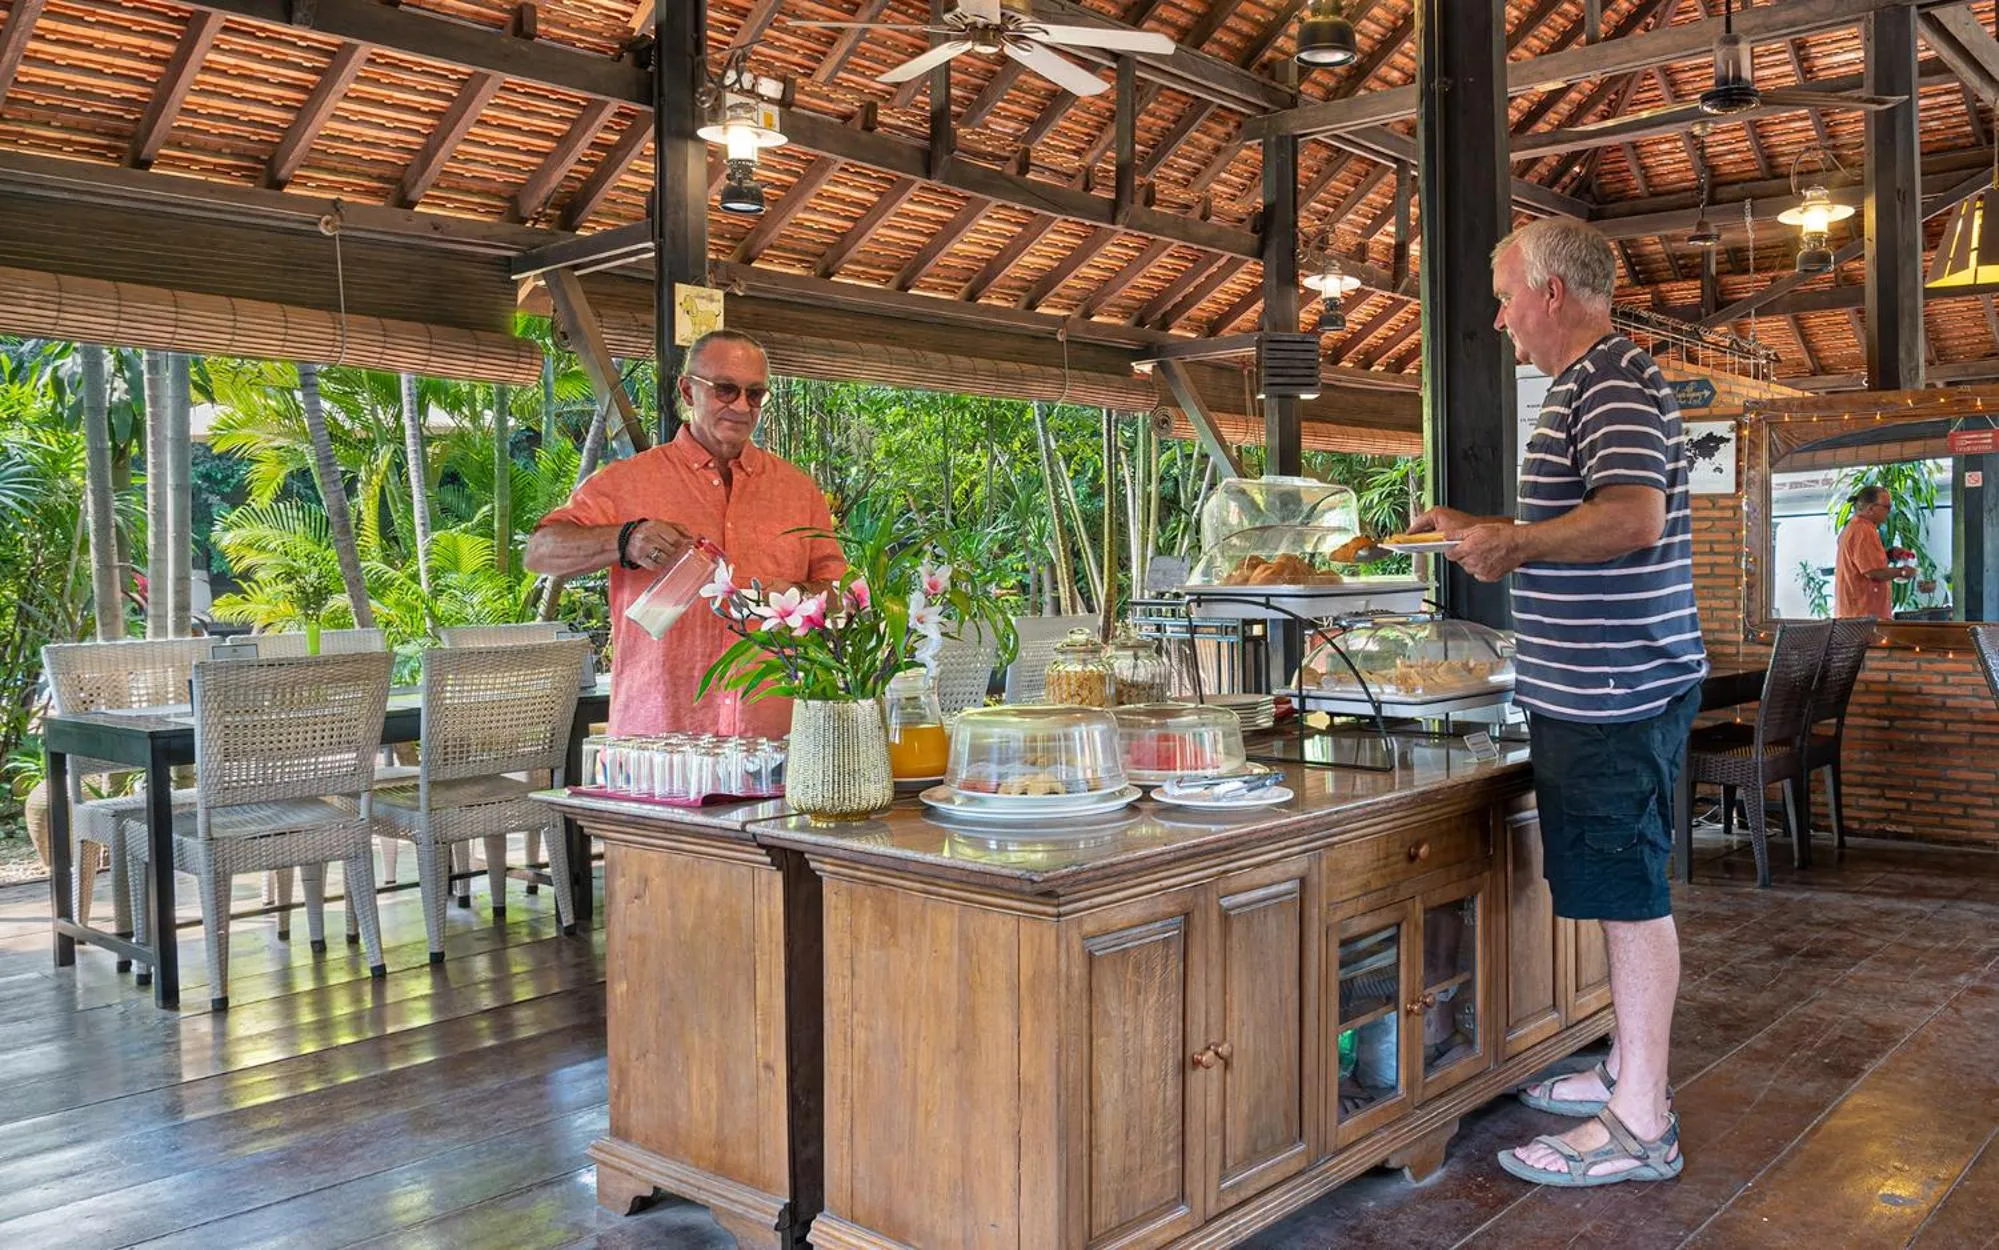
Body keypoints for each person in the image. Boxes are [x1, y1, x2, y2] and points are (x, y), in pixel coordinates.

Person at [1408, 217, 1706, 1188]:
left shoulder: (1611, 377)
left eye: (1502, 297)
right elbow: (1589, 512)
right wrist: (1486, 530)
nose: (1497, 320)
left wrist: (1516, 546)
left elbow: (1630, 516)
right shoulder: (1588, 383)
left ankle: (1639, 1123)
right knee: (1621, 888)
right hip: (1601, 684)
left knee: (1628, 897)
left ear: (1548, 292)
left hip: (1615, 689)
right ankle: (1628, 1066)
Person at [525, 330, 844, 737]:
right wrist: (626, 540)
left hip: (775, 741)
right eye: (726, 390)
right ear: (688, 391)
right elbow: (539, 551)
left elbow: (842, 593)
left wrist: (799, 595)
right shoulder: (629, 481)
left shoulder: (798, 490)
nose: (742, 406)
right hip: (660, 742)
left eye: (755, 394)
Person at [1834, 485, 1912, 618]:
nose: (1889, 512)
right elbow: (1873, 572)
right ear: (1871, 508)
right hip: (1863, 617)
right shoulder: (1863, 530)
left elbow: (1863, 561)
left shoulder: (1856, 527)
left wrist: (1889, 554)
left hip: (1856, 614)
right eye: (1887, 507)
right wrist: (1903, 572)